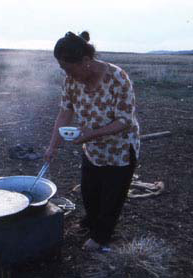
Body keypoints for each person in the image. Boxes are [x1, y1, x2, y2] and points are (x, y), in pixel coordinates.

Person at [44, 31, 140, 251]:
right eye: (63, 69)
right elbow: (64, 114)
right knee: (89, 191)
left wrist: (89, 134)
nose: (66, 73)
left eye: (68, 68)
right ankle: (91, 222)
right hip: (92, 148)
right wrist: (52, 147)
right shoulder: (71, 81)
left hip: (120, 149)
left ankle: (101, 237)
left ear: (86, 61)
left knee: (111, 197)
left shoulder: (117, 78)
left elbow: (124, 120)